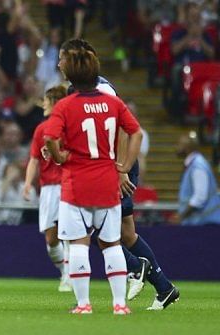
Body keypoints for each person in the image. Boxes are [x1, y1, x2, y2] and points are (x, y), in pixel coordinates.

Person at [60, 38, 179, 311]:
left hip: (113, 165)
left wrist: (121, 169)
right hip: (106, 165)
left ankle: (136, 267)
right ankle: (164, 287)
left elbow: (123, 128)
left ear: (76, 59)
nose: (59, 63)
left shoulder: (101, 89)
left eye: (62, 57)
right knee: (125, 233)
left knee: (99, 229)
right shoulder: (75, 89)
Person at [45, 40, 143, 314]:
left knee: (78, 243)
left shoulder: (66, 105)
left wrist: (58, 156)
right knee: (112, 244)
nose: (59, 65)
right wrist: (124, 166)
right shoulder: (112, 103)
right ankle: (120, 305)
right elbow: (136, 132)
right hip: (107, 182)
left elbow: (50, 137)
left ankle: (84, 304)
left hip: (77, 183)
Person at [23, 84, 71, 292]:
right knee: (51, 239)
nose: (43, 104)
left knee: (69, 232)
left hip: (68, 183)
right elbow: (34, 159)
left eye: (47, 100)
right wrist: (27, 183)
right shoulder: (42, 129)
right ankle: (64, 271)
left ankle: (70, 275)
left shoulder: (70, 127)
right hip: (49, 188)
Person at [173, 132, 220, 225]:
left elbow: (199, 198)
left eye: (179, 144)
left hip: (205, 224)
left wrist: (181, 216)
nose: (176, 147)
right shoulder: (193, 164)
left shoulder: (198, 166)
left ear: (187, 147)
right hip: (198, 223)